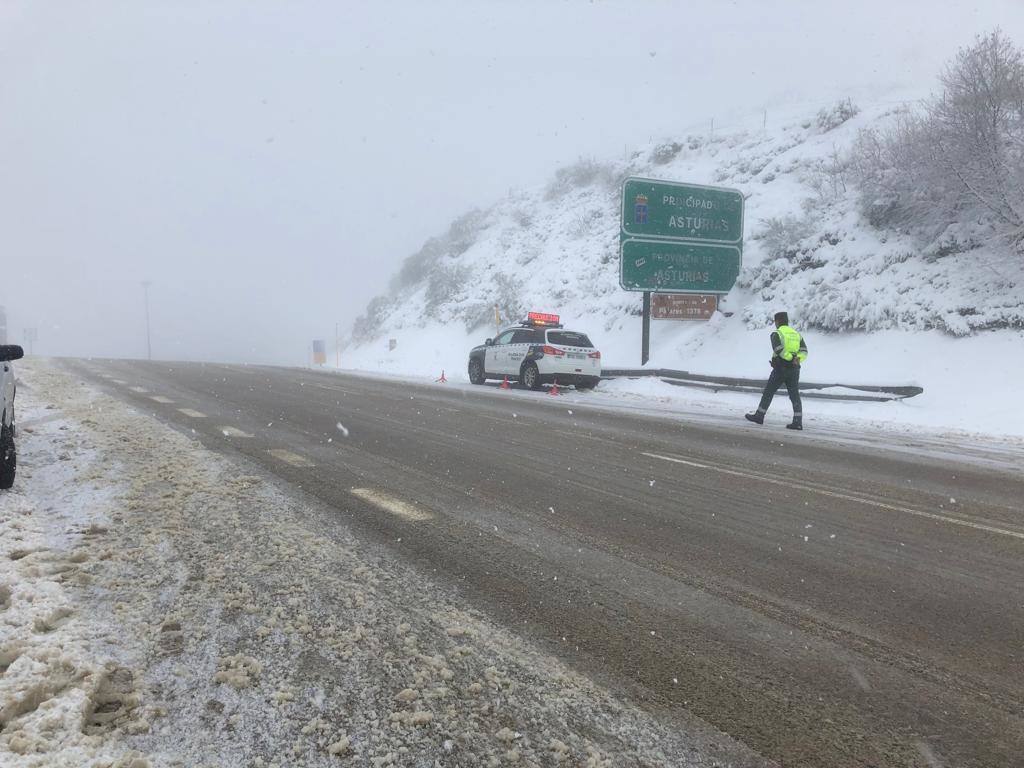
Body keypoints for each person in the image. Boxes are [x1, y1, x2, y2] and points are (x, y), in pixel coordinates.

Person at [745, 311, 808, 430]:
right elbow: (804, 351)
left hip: (781, 368)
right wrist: (797, 359)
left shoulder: (777, 333)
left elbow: (778, 349)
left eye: (775, 321)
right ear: (787, 321)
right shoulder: (796, 334)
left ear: (777, 321)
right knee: (794, 395)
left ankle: (759, 416)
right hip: (794, 369)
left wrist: (789, 358)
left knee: (769, 392)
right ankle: (797, 421)